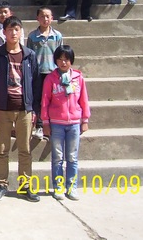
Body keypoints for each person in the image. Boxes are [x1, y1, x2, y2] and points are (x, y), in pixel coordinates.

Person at [0, 16, 41, 203]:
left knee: (25, 149)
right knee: (2, 150)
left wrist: (34, 110)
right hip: (3, 109)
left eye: (17, 29)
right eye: (10, 29)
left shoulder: (29, 55)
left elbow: (36, 84)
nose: (13, 33)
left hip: (25, 109)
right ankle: (1, 185)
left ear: (21, 31)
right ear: (4, 32)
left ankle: (25, 186)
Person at [41, 45, 91, 201]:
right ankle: (58, 187)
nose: (63, 63)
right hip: (57, 123)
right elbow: (45, 101)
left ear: (71, 61)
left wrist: (85, 120)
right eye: (60, 59)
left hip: (74, 123)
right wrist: (45, 122)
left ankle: (72, 187)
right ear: (56, 61)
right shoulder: (50, 79)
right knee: (57, 157)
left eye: (66, 59)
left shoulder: (78, 78)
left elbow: (84, 99)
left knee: (72, 157)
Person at [0, 1, 25, 140]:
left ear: (10, 13)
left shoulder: (18, 28)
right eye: (0, 12)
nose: (3, 14)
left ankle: (14, 127)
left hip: (15, 66)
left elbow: (21, 46)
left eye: (5, 12)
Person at [27, 6, 63, 140]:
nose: (45, 19)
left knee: (52, 98)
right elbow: (29, 55)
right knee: (39, 99)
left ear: (52, 18)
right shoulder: (32, 36)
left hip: (53, 72)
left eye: (48, 16)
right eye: (42, 16)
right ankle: (40, 125)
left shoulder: (57, 36)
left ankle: (53, 124)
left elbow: (61, 54)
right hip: (38, 73)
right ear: (37, 18)